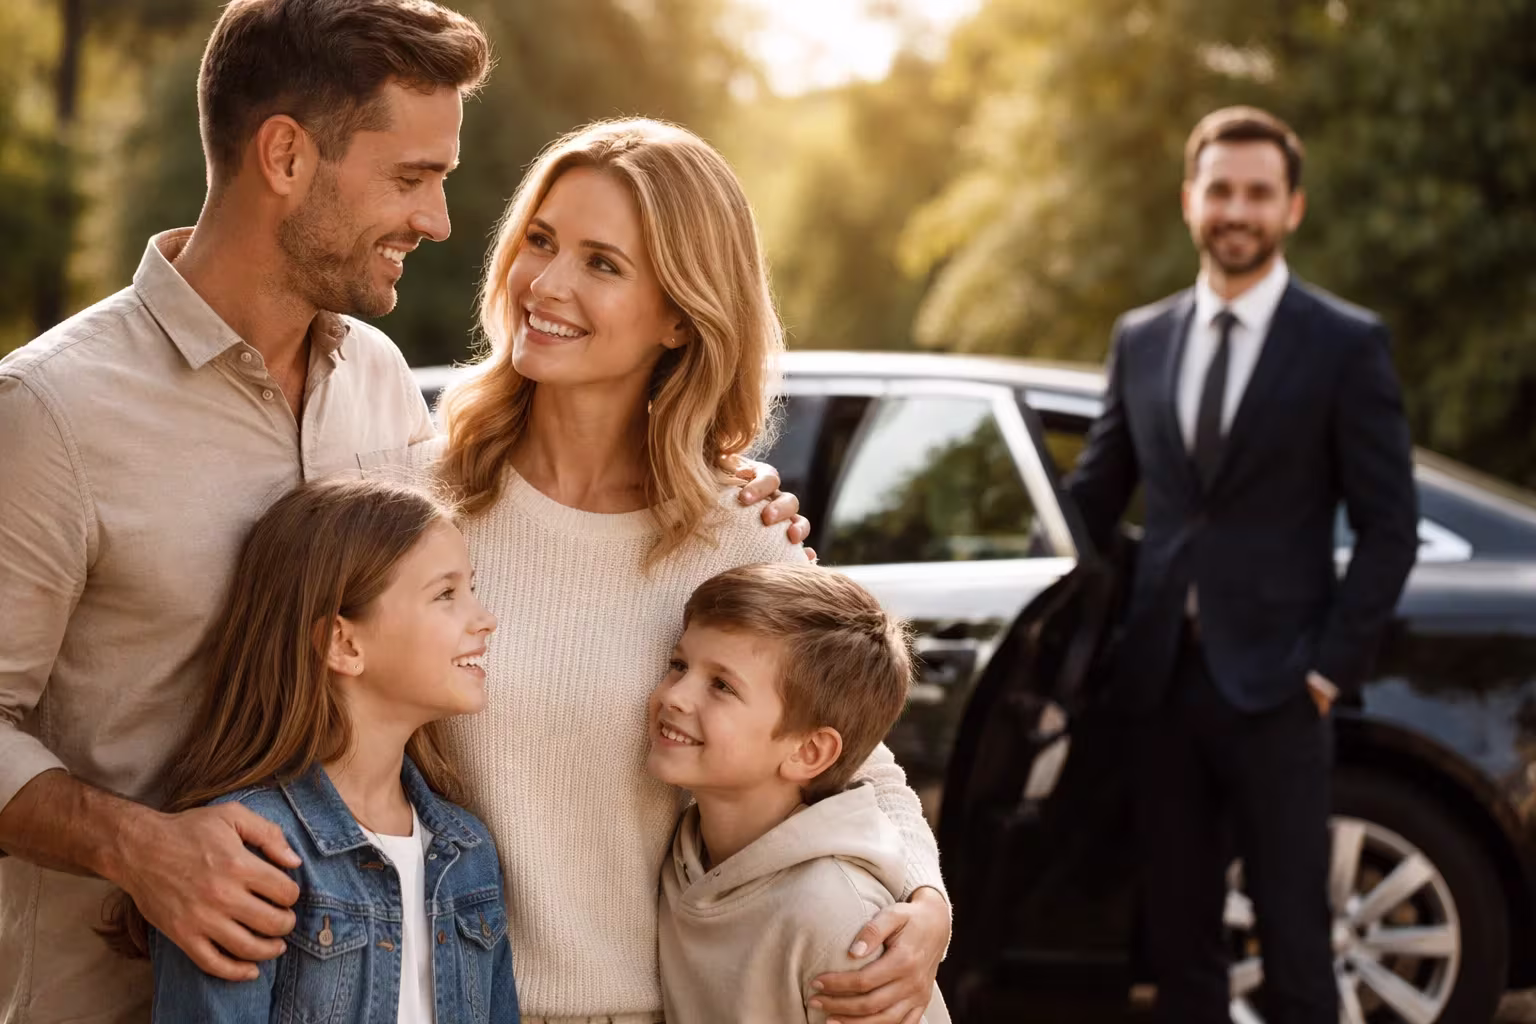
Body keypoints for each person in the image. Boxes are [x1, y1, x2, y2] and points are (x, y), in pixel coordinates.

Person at [0, 4, 799, 1021]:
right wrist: (137, 845)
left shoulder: (380, 388)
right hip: (106, 996)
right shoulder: (53, 410)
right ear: (285, 155)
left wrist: (729, 499)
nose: (440, 222)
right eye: (412, 177)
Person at [366, 117, 951, 1024]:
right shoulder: (410, 505)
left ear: (680, 313)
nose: (548, 285)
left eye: (603, 264)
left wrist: (926, 905)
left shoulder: (741, 537)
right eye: (542, 242)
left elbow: (859, 772)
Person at [1065, 106, 1419, 1023]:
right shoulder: (1142, 338)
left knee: (1298, 949)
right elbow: (1093, 498)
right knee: (1180, 950)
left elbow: (1391, 527)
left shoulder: (1346, 343)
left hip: (1281, 695)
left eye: (1259, 193)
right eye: (1220, 189)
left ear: (1292, 208)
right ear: (1190, 199)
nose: (1237, 209)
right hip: (1158, 689)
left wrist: (1327, 672)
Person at [105, 478, 517, 1023]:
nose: (485, 618)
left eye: (471, 588)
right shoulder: (247, 853)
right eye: (446, 594)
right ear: (344, 644)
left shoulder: (469, 851)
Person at [649, 562, 952, 1024]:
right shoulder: (686, 860)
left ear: (809, 751)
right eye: (678, 665)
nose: (674, 695)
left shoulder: (842, 920)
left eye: (722, 686)